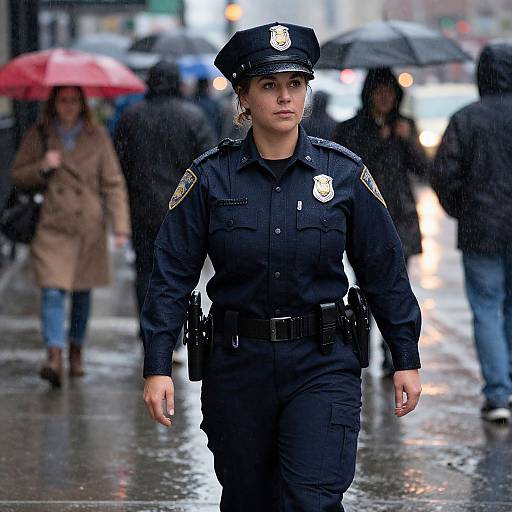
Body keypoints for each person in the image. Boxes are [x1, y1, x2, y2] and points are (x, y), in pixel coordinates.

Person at [141, 23, 422, 511]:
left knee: (311, 499)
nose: (285, 97)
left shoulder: (342, 174)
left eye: (295, 84)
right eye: (269, 85)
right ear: (244, 97)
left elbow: (383, 269)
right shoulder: (210, 178)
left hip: (322, 362)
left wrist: (405, 353)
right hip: (237, 366)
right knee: (250, 499)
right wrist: (158, 363)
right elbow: (170, 274)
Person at [10, 86, 130, 388]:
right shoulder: (40, 134)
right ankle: (54, 354)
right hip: (52, 225)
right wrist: (43, 166)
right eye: (63, 100)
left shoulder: (97, 135)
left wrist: (120, 227)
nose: (68, 106)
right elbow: (17, 175)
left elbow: (113, 182)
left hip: (88, 225)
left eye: (74, 100)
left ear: (82, 104)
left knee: (82, 292)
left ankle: (76, 350)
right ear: (54, 103)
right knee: (52, 291)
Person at [431, 41, 512, 423]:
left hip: (481, 229)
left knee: (485, 308)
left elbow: (443, 173)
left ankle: (497, 395)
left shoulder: (466, 119)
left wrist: (461, 210)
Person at [333, 67, 429, 377]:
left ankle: (393, 353)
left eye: (390, 91)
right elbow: (346, 169)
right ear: (369, 93)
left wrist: (407, 140)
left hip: (400, 217)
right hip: (362, 218)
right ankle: (363, 344)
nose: (385, 96)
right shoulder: (351, 128)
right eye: (379, 90)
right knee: (365, 287)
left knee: (396, 286)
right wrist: (377, 140)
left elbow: (424, 169)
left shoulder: (405, 126)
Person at [115, 60, 215, 318]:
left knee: (145, 272)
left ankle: (148, 332)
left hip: (142, 209)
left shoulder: (132, 117)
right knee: (177, 274)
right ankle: (173, 331)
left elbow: (121, 162)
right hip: (182, 212)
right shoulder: (192, 117)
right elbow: (208, 166)